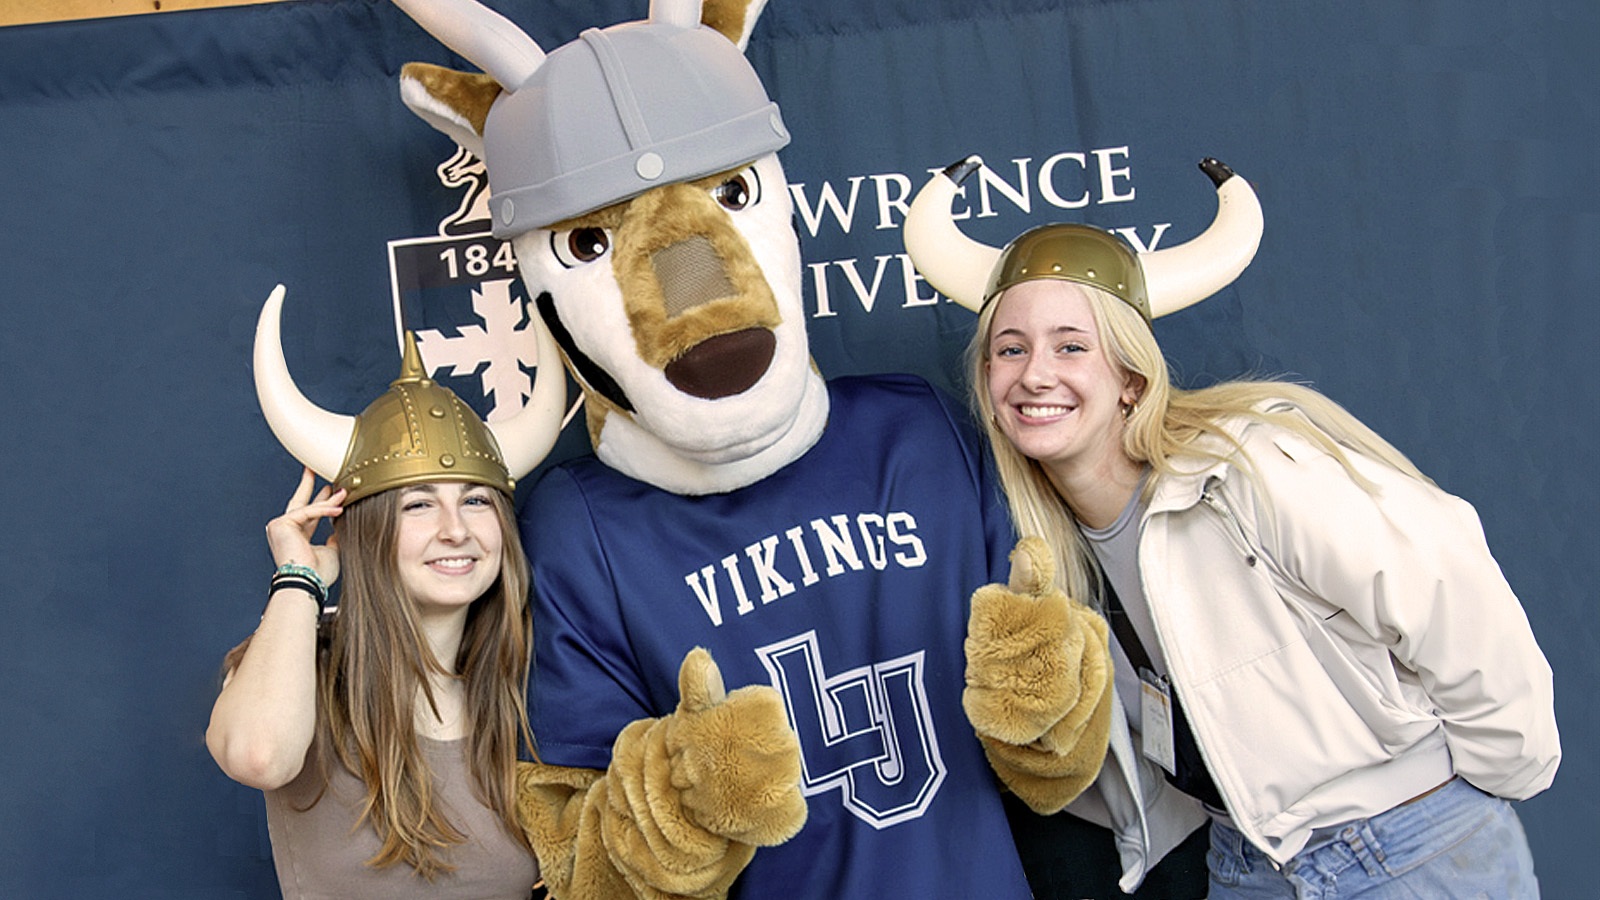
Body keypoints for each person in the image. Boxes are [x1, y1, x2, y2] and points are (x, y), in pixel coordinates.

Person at [905, 159, 1561, 899]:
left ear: (1131, 378)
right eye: (1011, 349)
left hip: (1407, 852)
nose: (1035, 375)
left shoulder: (1247, 469)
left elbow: (1449, 591)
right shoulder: (1040, 553)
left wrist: (1475, 794)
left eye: (1071, 346)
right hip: (1245, 868)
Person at [205, 285, 565, 899]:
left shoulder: (530, 681)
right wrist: (301, 578)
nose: (456, 530)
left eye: (475, 501)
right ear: (369, 533)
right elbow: (258, 755)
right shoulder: (302, 668)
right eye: (419, 505)